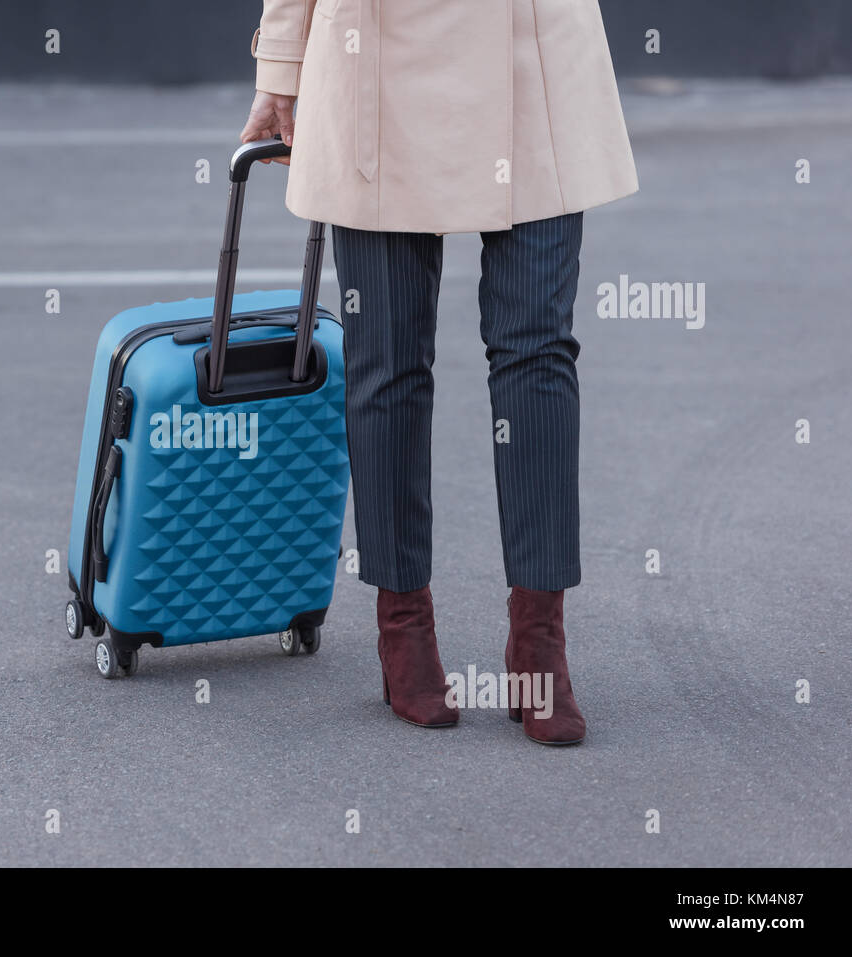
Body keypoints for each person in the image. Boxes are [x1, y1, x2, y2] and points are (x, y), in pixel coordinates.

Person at [239, 0, 638, 745]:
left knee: (538, 350)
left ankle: (540, 640)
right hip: (375, 60)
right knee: (387, 359)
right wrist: (282, 64)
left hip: (533, 48)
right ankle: (403, 628)